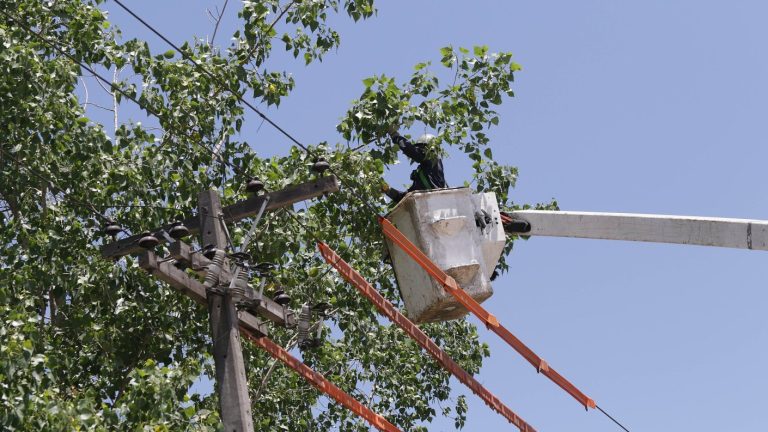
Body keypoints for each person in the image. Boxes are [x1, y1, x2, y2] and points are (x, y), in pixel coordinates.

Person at [381, 127, 447, 203]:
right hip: (425, 203)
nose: (420, 150)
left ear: (428, 148)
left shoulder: (432, 157)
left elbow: (410, 150)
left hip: (432, 200)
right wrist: (387, 190)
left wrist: (395, 136)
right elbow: (405, 198)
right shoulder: (424, 174)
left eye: (421, 148)